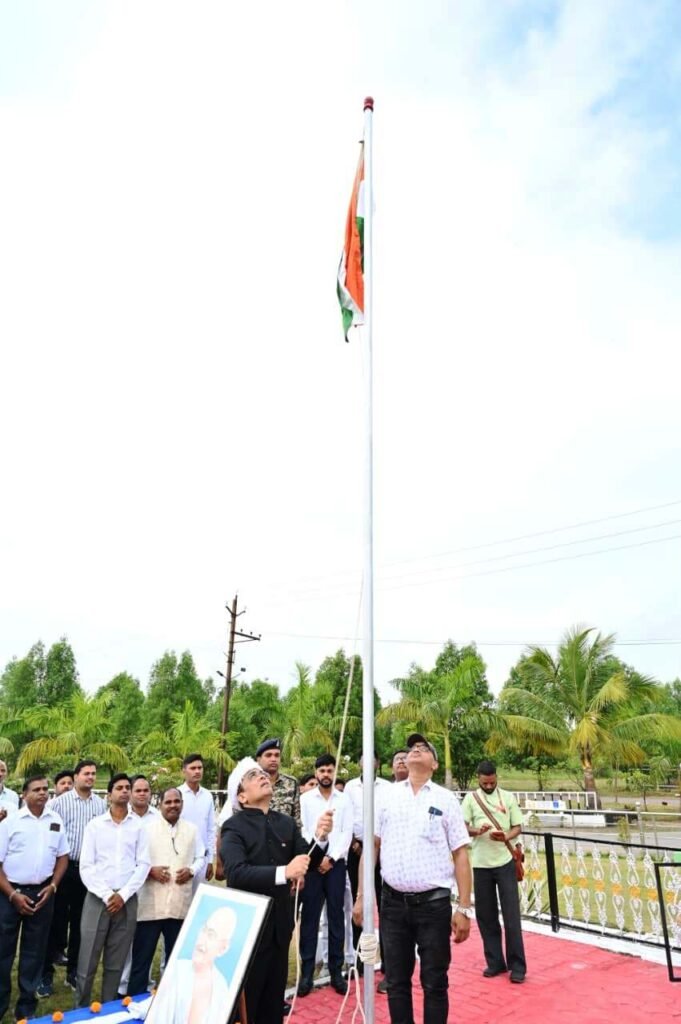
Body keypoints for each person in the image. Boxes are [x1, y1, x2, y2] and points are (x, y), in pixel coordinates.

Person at [353, 733, 472, 1024]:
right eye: (412, 748)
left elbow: (460, 854)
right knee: (396, 980)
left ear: (434, 763)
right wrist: (360, 896)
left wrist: (464, 907)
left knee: (434, 981)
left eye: (423, 748)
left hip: (434, 904)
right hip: (392, 903)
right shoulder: (387, 796)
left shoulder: (445, 799)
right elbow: (373, 847)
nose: (415, 750)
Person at [221, 757, 333, 1024]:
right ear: (242, 796)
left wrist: (321, 837)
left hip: (280, 927)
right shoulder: (233, 827)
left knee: (274, 1006)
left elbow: (308, 860)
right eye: (253, 776)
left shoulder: (285, 822)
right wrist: (284, 872)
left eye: (262, 774)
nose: (262, 776)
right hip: (248, 931)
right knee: (248, 1006)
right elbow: (236, 873)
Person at [76, 772, 150, 1006]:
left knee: (116, 961)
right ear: (109, 795)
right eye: (119, 787)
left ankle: (108, 1009)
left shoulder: (138, 826)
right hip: (99, 898)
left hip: (127, 900)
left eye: (128, 787)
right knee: (88, 958)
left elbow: (144, 864)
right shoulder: (95, 826)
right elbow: (86, 867)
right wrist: (109, 895)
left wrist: (123, 894)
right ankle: (81, 1008)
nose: (125, 791)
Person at [0, 774, 69, 1022]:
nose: (43, 793)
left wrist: (53, 886)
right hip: (9, 894)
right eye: (37, 789)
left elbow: (63, 856)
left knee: (35, 952)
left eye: (45, 789)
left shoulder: (55, 820)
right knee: (3, 951)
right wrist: (12, 895)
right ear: (24, 794)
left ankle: (26, 1007)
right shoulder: (10, 822)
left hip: (43, 894)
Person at [128, 787, 204, 997]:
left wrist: (191, 871)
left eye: (176, 802)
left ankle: (172, 1000)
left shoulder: (192, 830)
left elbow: (201, 857)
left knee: (176, 960)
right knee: (142, 959)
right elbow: (134, 860)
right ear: (159, 804)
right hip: (151, 905)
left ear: (182, 804)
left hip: (179, 903)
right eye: (168, 802)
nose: (173, 805)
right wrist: (150, 871)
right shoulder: (146, 829)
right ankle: (135, 1001)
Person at [461, 759, 527, 984]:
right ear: (478, 778)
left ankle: (517, 966)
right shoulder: (471, 799)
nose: (488, 786)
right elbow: (462, 826)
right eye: (485, 783)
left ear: (496, 777)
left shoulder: (507, 797)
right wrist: (476, 830)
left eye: (492, 782)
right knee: (486, 917)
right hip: (481, 864)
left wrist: (506, 836)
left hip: (505, 861)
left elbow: (518, 826)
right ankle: (495, 962)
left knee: (511, 916)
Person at [298, 753, 353, 997]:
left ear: (334, 771)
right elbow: (306, 829)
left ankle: (336, 972)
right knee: (309, 918)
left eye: (330, 770)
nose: (326, 775)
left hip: (336, 865)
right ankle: (307, 974)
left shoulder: (344, 800)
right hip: (313, 863)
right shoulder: (307, 799)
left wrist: (332, 858)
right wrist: (320, 857)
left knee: (335, 917)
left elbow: (346, 830)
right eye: (321, 771)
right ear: (316, 772)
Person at [49, 759, 107, 990]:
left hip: (88, 871)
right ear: (76, 776)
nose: (91, 777)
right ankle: (46, 972)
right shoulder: (59, 803)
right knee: (56, 921)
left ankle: (73, 971)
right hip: (64, 868)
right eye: (86, 774)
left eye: (94, 774)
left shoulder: (100, 805)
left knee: (82, 923)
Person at [148, 905, 238, 1024]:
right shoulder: (177, 970)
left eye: (211, 935)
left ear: (223, 948)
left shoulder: (221, 988)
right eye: (204, 930)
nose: (202, 940)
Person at [345, 756, 390, 990]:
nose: (367, 762)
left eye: (371, 759)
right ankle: (359, 960)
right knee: (358, 902)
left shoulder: (388, 788)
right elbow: (346, 816)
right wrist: (353, 841)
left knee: (385, 905)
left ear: (377, 763)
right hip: (356, 848)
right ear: (360, 763)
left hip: (383, 849)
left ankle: (388, 964)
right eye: (363, 759)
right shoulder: (350, 788)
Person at [117, 774, 161, 996]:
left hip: (153, 885)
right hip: (130, 884)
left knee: (147, 936)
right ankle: (123, 983)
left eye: (146, 790)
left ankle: (145, 979)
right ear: (131, 794)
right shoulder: (124, 818)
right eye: (138, 790)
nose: (142, 794)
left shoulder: (157, 818)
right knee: (127, 934)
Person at [179, 753, 215, 892]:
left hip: (202, 857)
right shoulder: (177, 795)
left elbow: (211, 829)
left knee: (200, 898)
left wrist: (210, 860)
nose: (197, 771)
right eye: (193, 768)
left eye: (200, 768)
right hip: (182, 856)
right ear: (184, 771)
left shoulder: (207, 796)